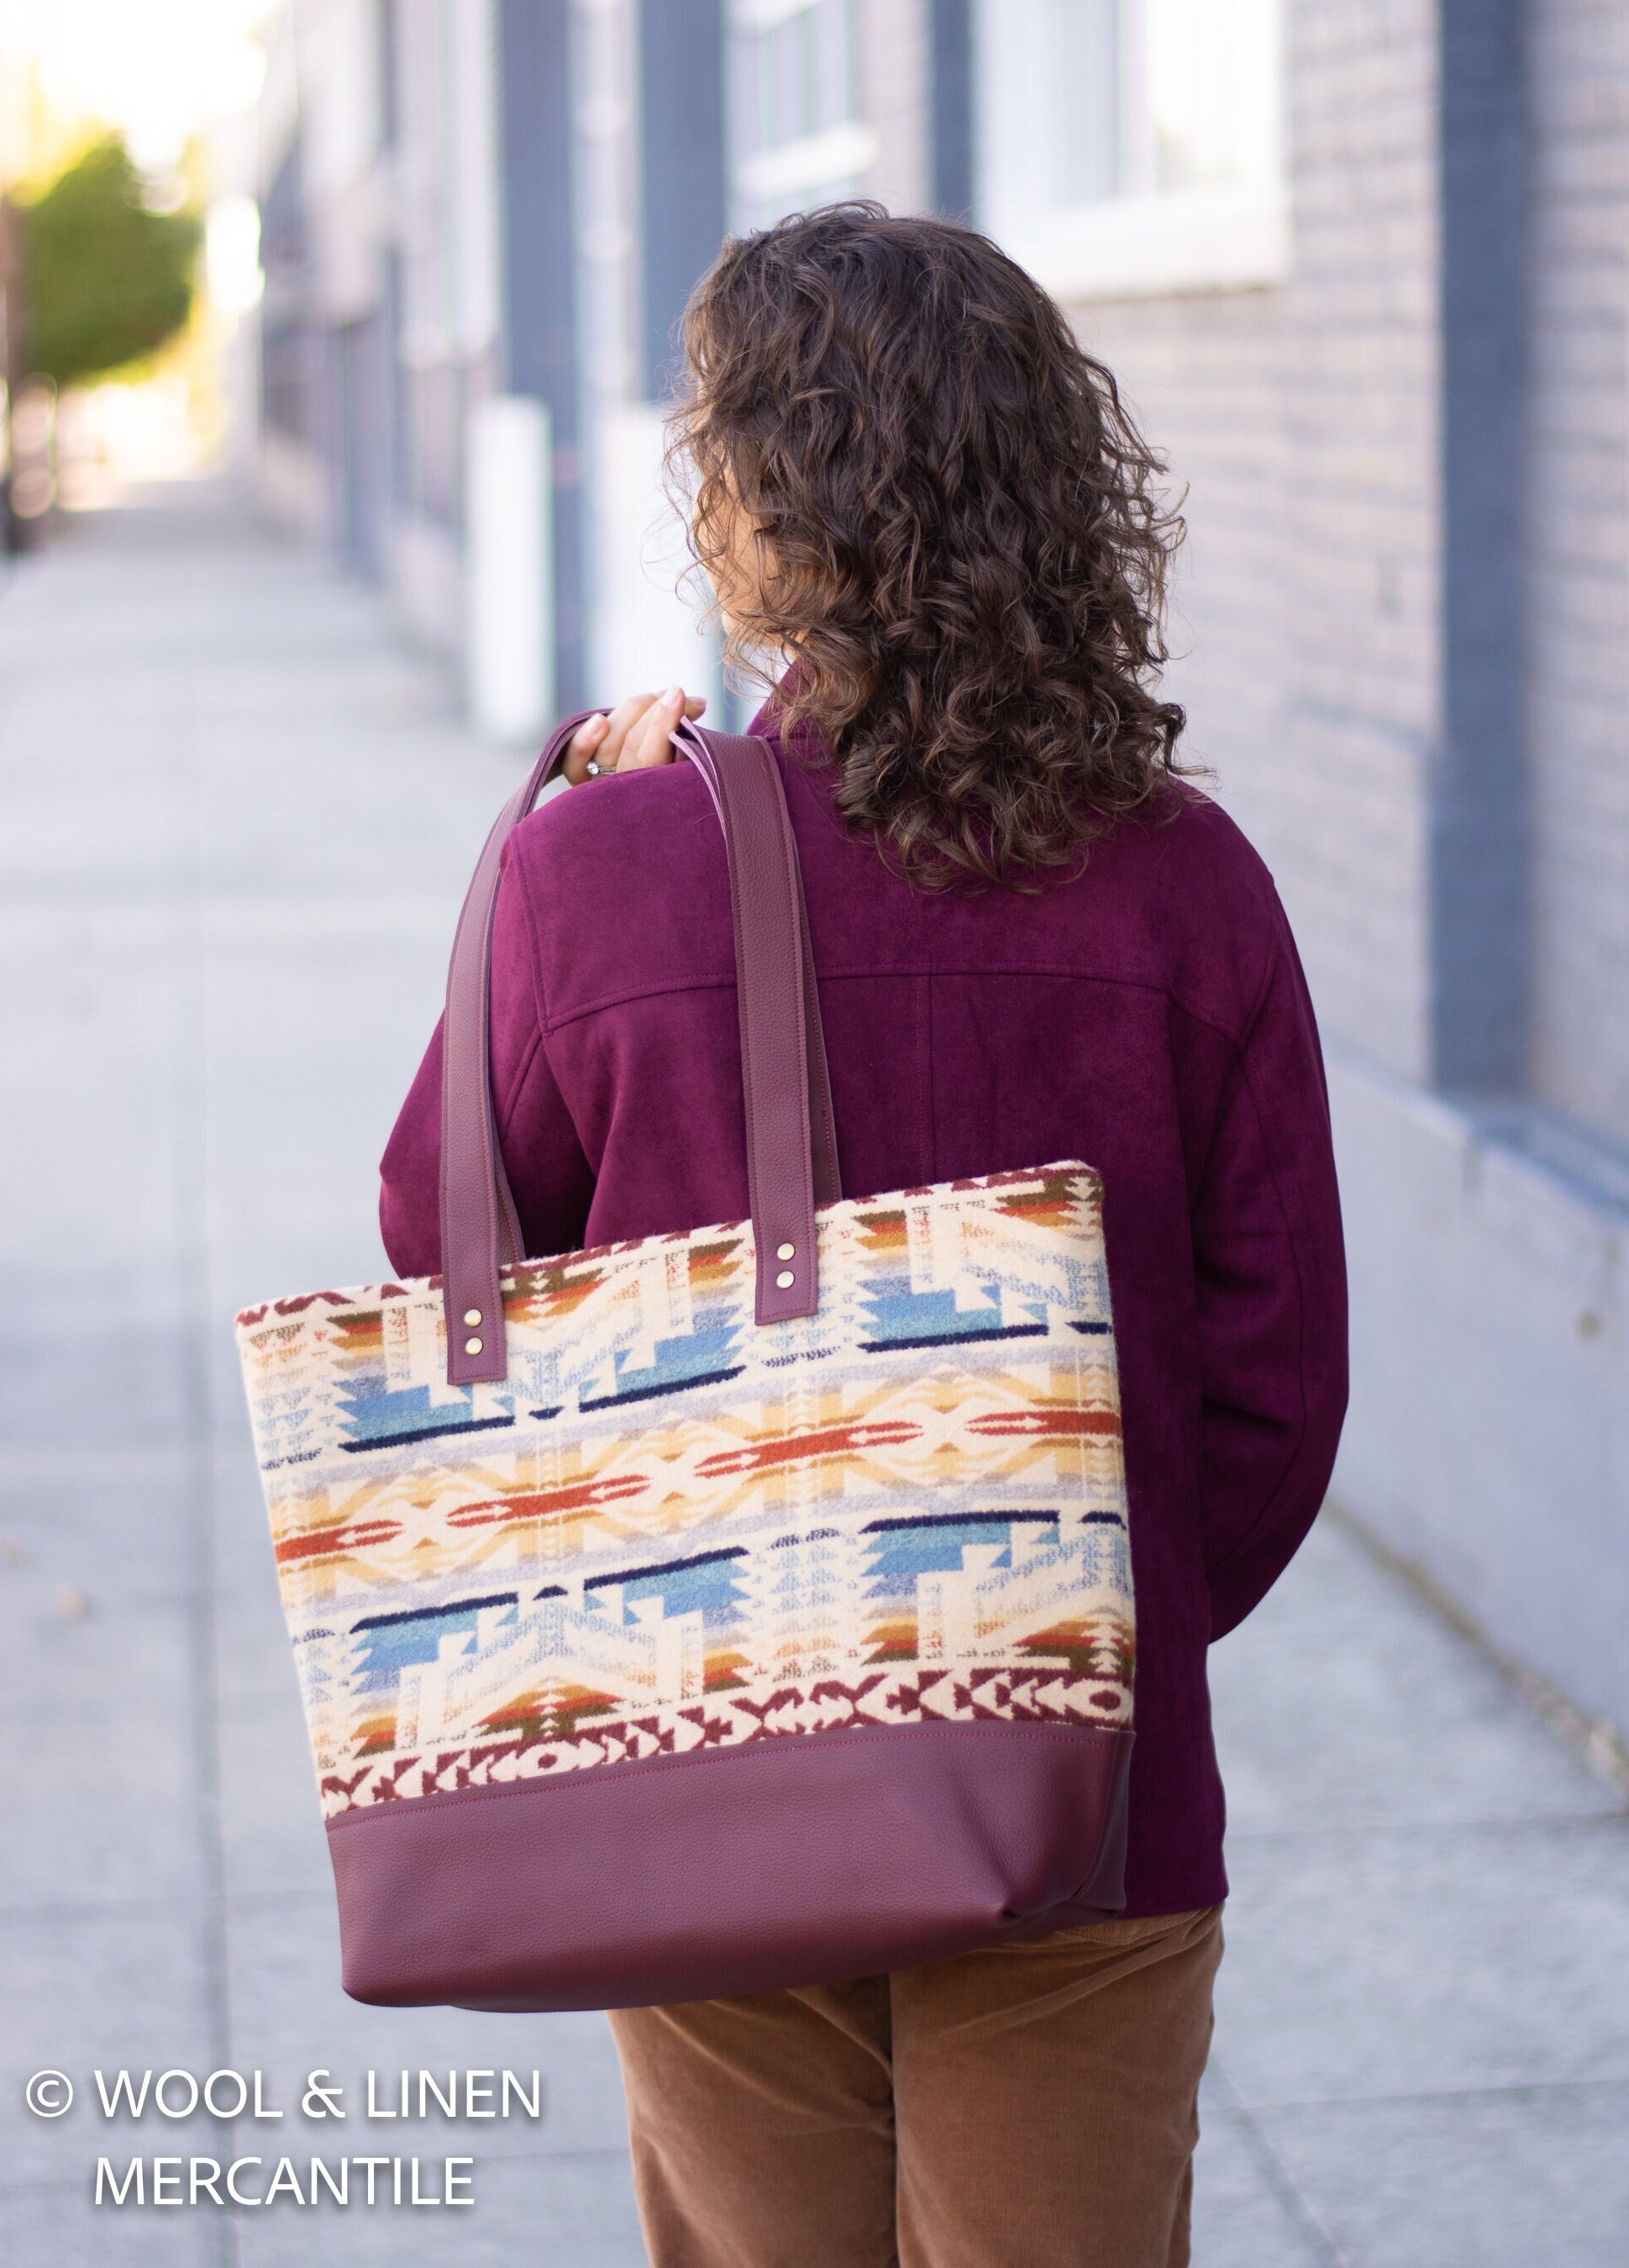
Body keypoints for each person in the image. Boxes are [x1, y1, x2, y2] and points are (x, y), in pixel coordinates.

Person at [379, 204, 1348, 2268]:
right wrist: (1080, 1627)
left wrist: (583, 843)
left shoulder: (602, 871)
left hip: (700, 1749)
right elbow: (1269, 1400)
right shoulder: (1187, 884)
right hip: (1080, 1781)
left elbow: (440, 1257)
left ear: (763, 509)